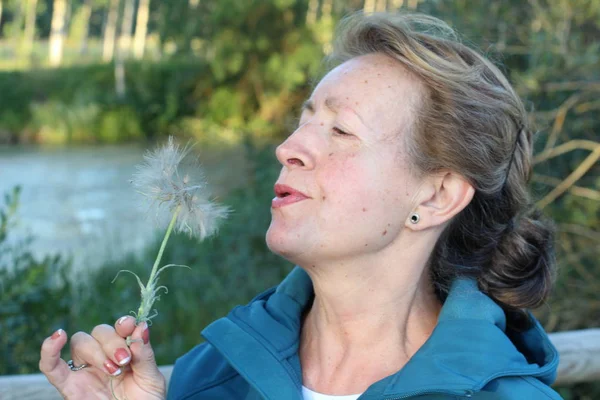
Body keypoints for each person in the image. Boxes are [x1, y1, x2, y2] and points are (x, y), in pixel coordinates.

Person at [39, 11, 563, 400]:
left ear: (436, 195)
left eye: (339, 129)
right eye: (304, 119)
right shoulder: (211, 376)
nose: (288, 147)